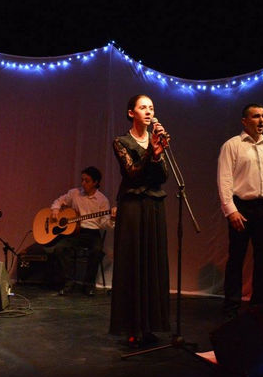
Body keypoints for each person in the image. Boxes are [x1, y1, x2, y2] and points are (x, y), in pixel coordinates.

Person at [109, 94, 170, 348]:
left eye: (151, 108)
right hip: (133, 206)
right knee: (132, 263)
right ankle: (132, 326)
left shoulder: (156, 139)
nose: (148, 111)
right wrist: (150, 152)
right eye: (143, 107)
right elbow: (132, 173)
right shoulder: (121, 141)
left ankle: (150, 325)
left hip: (154, 205)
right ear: (131, 113)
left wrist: (158, 153)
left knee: (152, 262)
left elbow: (163, 176)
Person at [217, 103, 263, 320]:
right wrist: (231, 211)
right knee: (236, 259)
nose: (262, 120)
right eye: (256, 116)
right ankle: (231, 309)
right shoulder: (232, 145)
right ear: (244, 121)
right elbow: (224, 180)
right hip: (242, 208)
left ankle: (260, 308)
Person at [47, 166, 116, 296]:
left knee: (96, 251)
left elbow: (104, 224)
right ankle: (69, 283)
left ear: (95, 182)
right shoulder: (74, 193)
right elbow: (59, 201)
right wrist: (55, 209)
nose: (83, 183)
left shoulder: (102, 200)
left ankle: (88, 285)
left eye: (87, 181)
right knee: (60, 248)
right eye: (82, 180)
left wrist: (112, 219)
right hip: (75, 232)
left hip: (92, 234)